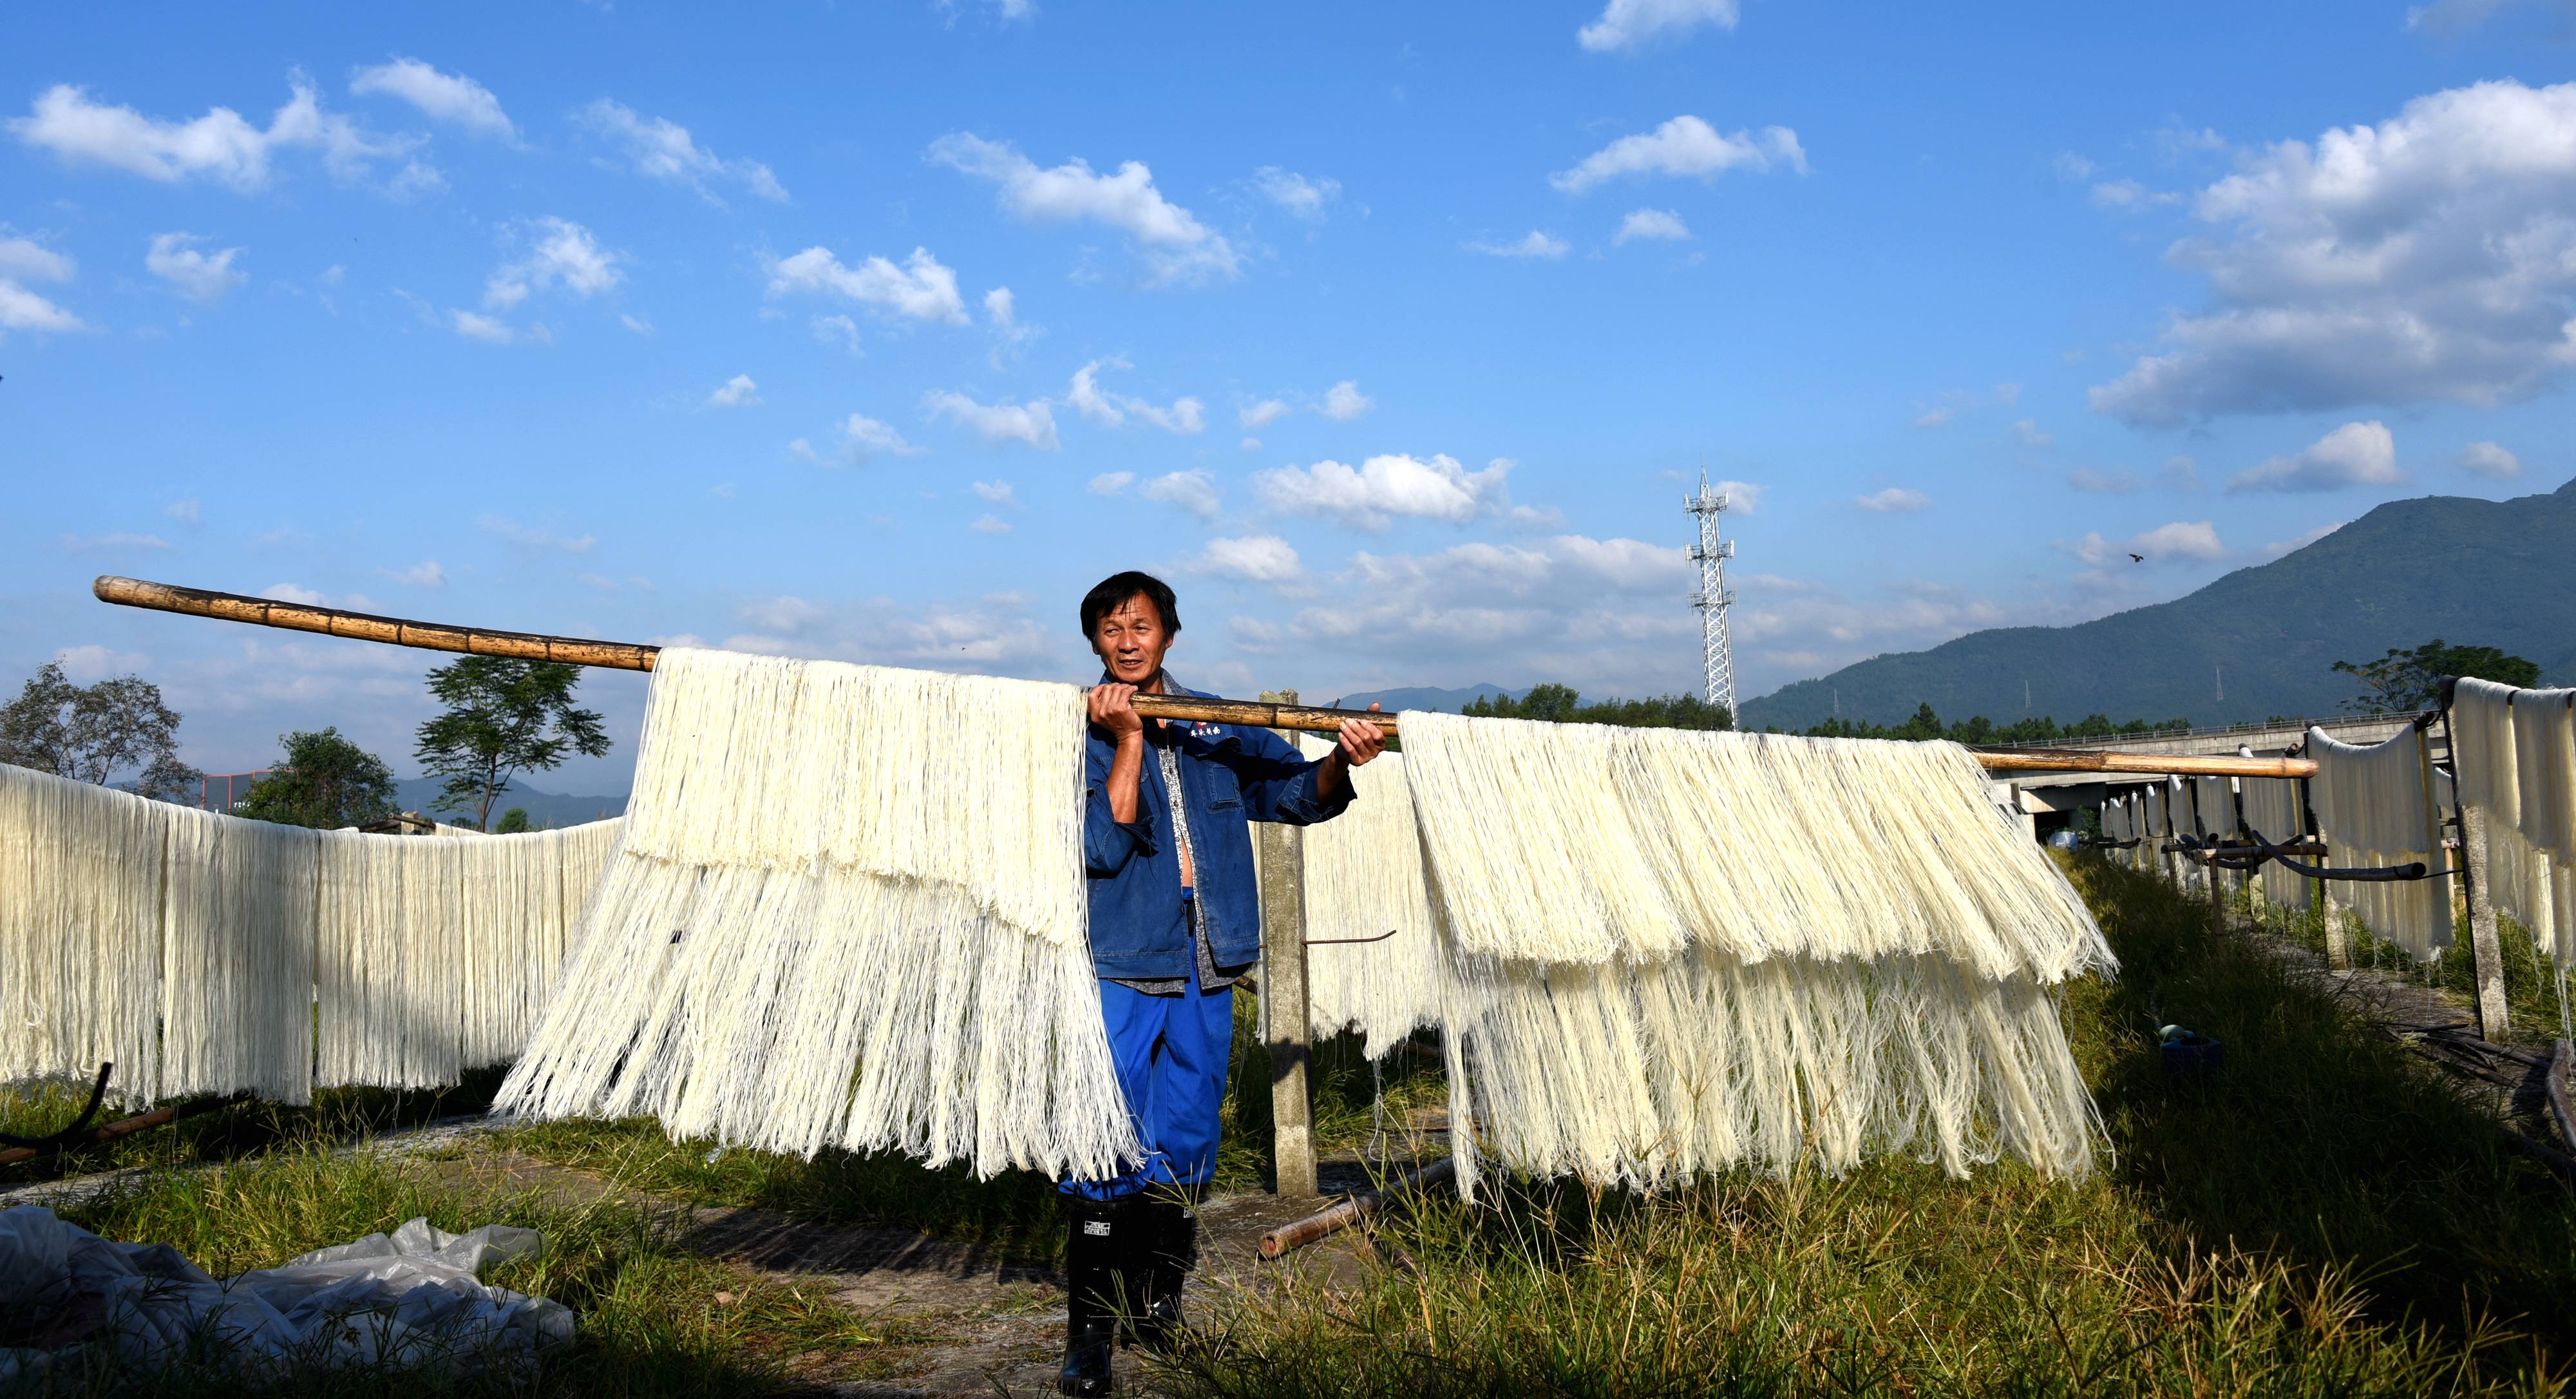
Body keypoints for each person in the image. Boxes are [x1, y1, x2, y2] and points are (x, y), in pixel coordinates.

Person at [1059, 569, 1383, 1396]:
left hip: (1210, 961)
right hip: (1123, 964)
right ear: (1094, 641)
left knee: (1184, 1144)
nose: (1126, 642)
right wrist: (1129, 740)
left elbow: (1294, 796)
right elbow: (1102, 846)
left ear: (1170, 634)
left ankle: (1158, 1311)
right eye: (1110, 629)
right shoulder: (1074, 731)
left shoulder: (1215, 722)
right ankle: (1089, 1338)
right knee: (1103, 1141)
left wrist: (1341, 764)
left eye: (1141, 627)